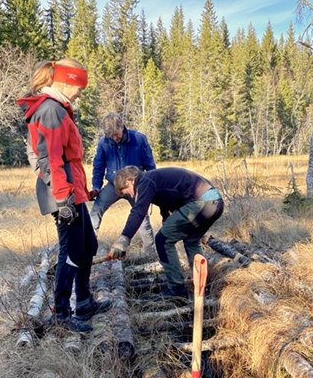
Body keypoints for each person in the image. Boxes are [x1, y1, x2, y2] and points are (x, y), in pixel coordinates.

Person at [18, 59, 111, 334]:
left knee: (88, 247)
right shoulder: (50, 110)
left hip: (73, 190)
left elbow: (68, 160)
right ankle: (61, 314)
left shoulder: (58, 109)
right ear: (66, 81)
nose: (80, 93)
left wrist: (82, 191)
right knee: (70, 253)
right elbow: (51, 160)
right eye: (78, 87)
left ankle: (83, 302)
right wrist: (63, 199)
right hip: (62, 193)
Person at [107, 166, 224, 298]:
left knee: (162, 240)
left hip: (203, 203)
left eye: (127, 192)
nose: (131, 196)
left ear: (130, 181)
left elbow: (139, 211)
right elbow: (167, 203)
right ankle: (202, 284)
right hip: (215, 202)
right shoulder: (153, 178)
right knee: (191, 241)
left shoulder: (145, 181)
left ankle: (177, 290)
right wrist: (166, 221)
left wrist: (124, 239)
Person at [90, 113, 156, 252]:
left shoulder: (139, 139)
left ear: (122, 127)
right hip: (113, 185)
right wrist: (96, 186)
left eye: (116, 134)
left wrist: (151, 187)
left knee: (142, 216)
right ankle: (88, 245)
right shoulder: (103, 143)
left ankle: (150, 251)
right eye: (111, 136)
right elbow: (99, 166)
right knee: (96, 210)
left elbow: (150, 165)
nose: (114, 138)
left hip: (136, 186)